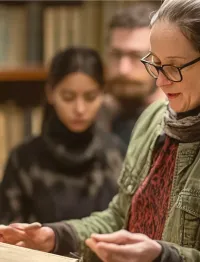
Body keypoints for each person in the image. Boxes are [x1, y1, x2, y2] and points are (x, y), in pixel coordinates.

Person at [1, 0, 200, 261]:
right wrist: (57, 236)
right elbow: (120, 216)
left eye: (173, 67)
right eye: (156, 64)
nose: (160, 81)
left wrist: (162, 256)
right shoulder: (153, 119)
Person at [0, 47, 125, 224]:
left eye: (90, 97)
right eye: (68, 97)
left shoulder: (116, 154)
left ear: (103, 94)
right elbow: (10, 235)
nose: (80, 109)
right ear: (50, 93)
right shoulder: (24, 159)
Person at [98, 2, 165, 147]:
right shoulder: (96, 116)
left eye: (136, 56)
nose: (123, 69)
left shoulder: (186, 125)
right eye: (116, 55)